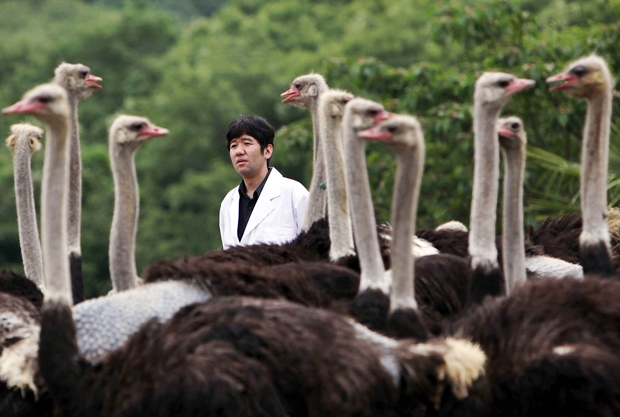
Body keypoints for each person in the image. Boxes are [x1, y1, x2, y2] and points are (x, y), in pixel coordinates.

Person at [219, 115, 309, 249]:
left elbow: (315, 252)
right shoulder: (228, 203)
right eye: (234, 145)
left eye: (247, 143)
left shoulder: (295, 194)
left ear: (267, 151)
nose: (239, 151)